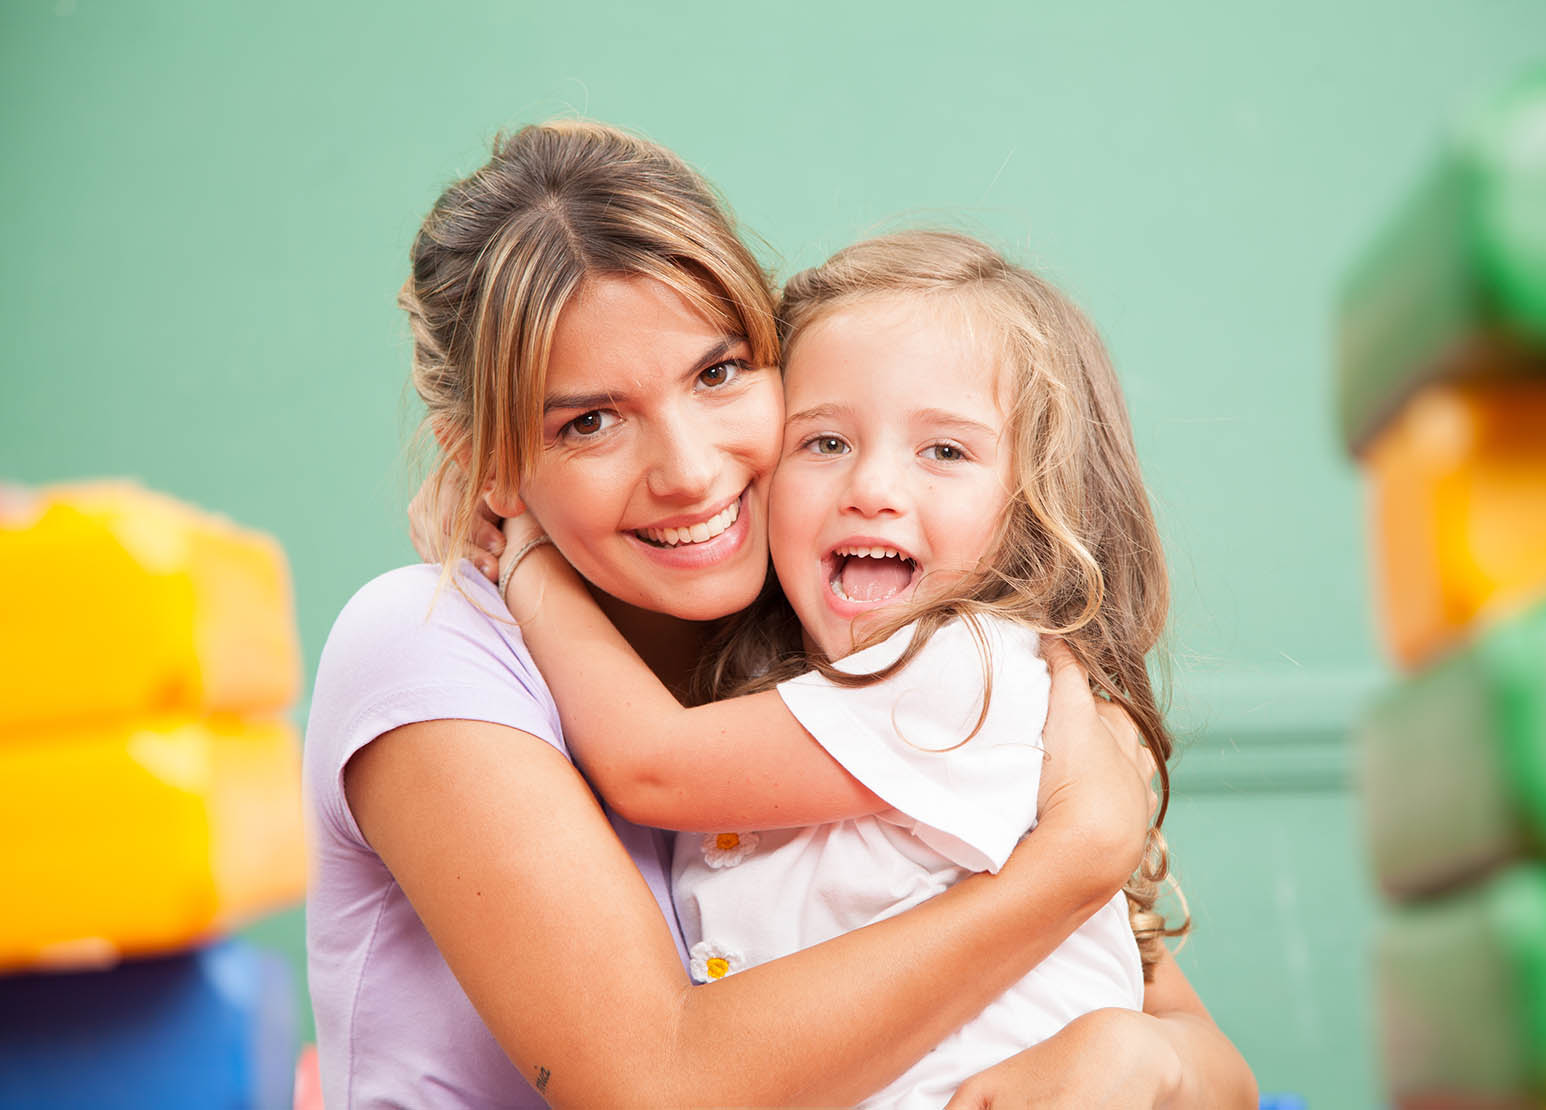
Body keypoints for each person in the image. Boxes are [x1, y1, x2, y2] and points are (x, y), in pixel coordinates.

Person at [307, 118, 1255, 1108]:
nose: (689, 471)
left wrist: (1134, 1057)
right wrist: (1067, 863)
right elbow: (661, 1085)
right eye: (589, 421)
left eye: (717, 374)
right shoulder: (425, 646)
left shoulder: (844, 646)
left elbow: (1203, 1057)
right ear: (487, 463)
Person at [491, 229, 1189, 1109]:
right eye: (823, 442)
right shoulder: (796, 693)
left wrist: (528, 559)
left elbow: (651, 768)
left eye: (945, 451)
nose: (872, 488)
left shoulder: (966, 666)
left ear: (1034, 503)